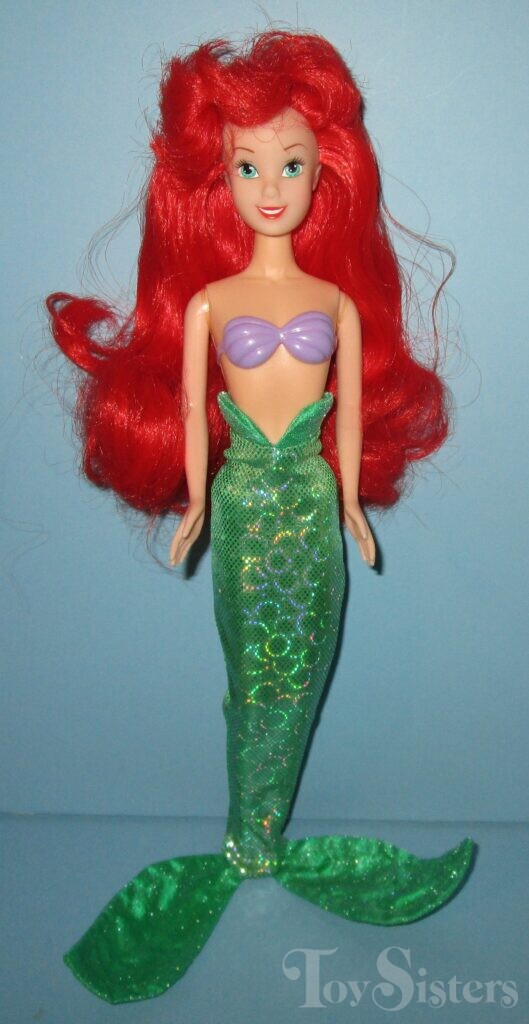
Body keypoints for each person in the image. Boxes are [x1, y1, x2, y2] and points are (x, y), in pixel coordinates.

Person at [47, 30, 475, 1005]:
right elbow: (194, 411)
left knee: (303, 667)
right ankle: (246, 836)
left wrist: (353, 506)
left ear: (323, 175)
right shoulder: (209, 303)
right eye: (248, 166)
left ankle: (266, 836)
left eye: (289, 164)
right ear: (220, 177)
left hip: (313, 512)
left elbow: (349, 417)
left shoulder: (336, 302)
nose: (269, 186)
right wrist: (198, 502)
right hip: (242, 508)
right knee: (251, 672)